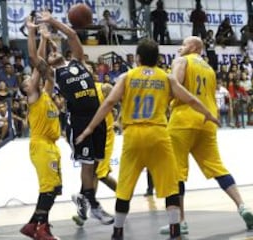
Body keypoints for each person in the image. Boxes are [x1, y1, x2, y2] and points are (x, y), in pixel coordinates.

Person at [75, 38, 220, 240]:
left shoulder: (127, 76)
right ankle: (174, 231)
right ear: (157, 59)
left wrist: (89, 128)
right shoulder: (167, 78)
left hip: (133, 135)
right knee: (170, 185)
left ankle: (118, 231)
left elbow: (109, 102)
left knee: (124, 188)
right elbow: (191, 99)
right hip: (159, 134)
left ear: (138, 58)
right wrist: (209, 115)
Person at [159, 36, 253, 235]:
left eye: (184, 44)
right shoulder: (209, 69)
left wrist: (163, 101)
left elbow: (174, 84)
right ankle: (242, 206)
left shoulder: (181, 61)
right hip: (207, 121)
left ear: (193, 47)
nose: (180, 48)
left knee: (176, 173)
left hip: (183, 120)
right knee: (217, 167)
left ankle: (181, 221)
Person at [38, 10, 114, 225]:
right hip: (79, 121)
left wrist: (52, 21)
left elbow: (71, 35)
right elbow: (38, 59)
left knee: (95, 166)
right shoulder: (54, 75)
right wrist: (43, 39)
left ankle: (83, 198)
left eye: (55, 52)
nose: (54, 54)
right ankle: (94, 205)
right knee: (88, 165)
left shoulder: (78, 62)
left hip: (97, 119)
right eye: (52, 55)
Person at [19, 19, 62, 239]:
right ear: (26, 90)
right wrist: (32, 34)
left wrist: (45, 39)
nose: (31, 80)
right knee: (48, 188)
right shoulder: (34, 97)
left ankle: (31, 225)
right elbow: (36, 63)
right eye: (27, 81)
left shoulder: (46, 93)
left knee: (55, 189)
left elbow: (43, 65)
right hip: (41, 144)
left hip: (52, 145)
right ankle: (42, 228)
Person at [72, 81, 117, 226]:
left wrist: (119, 119)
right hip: (90, 134)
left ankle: (86, 211)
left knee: (98, 174)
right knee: (92, 173)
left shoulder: (103, 87)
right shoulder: (76, 92)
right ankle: (123, 196)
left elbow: (119, 102)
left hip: (105, 134)